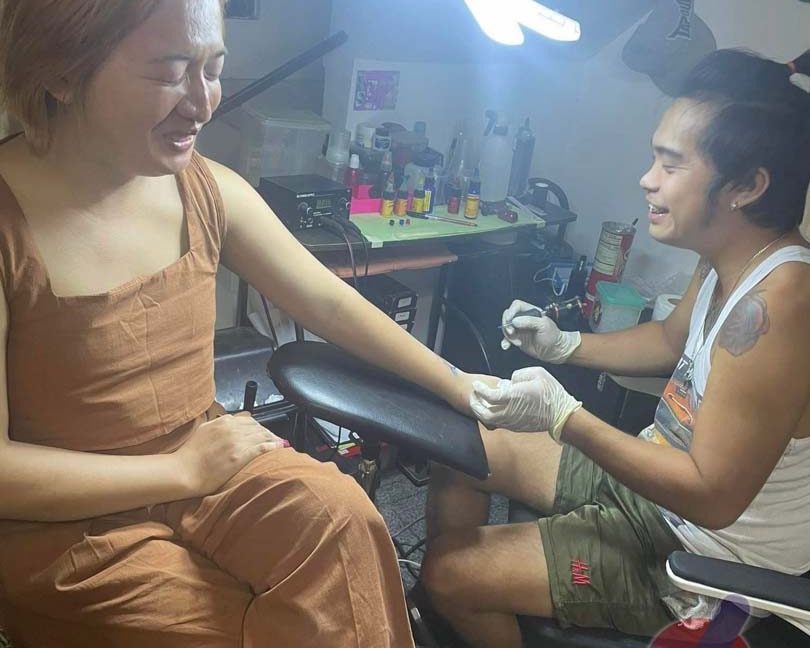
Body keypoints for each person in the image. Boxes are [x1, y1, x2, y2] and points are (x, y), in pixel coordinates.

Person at [0, 1, 484, 646]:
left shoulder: (207, 189)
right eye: (170, 73)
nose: (203, 104)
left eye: (213, 69)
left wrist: (457, 383)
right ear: (61, 73)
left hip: (206, 460)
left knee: (345, 525)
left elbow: (329, 303)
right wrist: (181, 472)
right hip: (65, 521)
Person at [420, 48, 810, 648]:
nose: (647, 179)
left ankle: (469, 602)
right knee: (461, 445)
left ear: (747, 186)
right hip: (656, 486)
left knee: (448, 575)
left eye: (671, 165)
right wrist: (565, 345)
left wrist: (564, 417)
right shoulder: (728, 258)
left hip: (704, 557)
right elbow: (668, 339)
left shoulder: (778, 308)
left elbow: (711, 497)